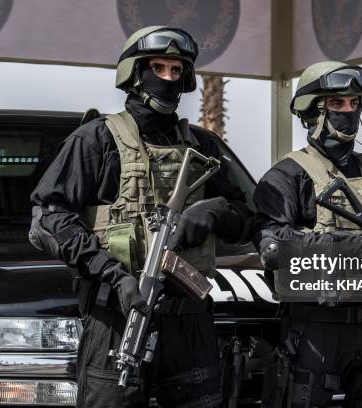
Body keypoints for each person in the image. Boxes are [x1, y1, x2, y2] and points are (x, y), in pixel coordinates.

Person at [29, 26, 251, 408]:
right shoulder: (96, 140)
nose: (167, 78)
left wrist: (211, 212)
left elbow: (250, 217)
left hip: (189, 323)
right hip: (118, 317)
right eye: (157, 67)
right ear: (135, 72)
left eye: (175, 70)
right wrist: (113, 275)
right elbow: (49, 220)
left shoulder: (204, 146)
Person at [254, 61, 362, 408]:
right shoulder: (287, 176)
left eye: (355, 103)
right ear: (313, 111)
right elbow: (273, 248)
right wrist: (352, 246)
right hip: (316, 328)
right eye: (337, 104)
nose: (348, 112)